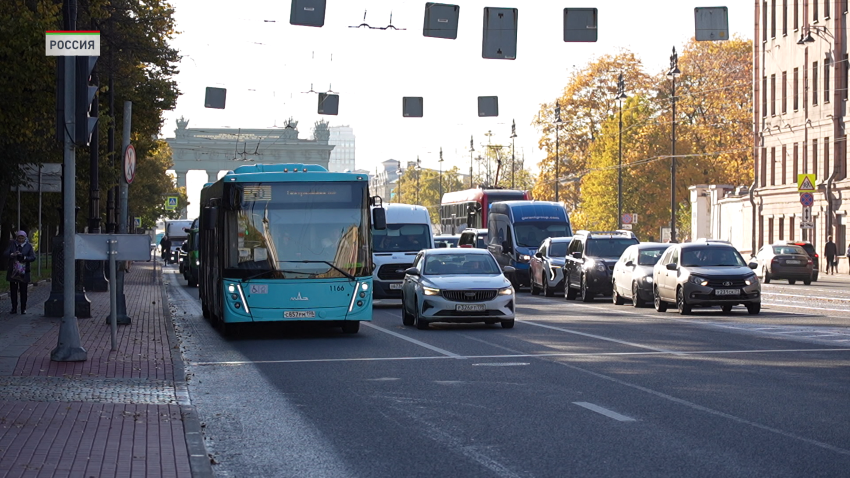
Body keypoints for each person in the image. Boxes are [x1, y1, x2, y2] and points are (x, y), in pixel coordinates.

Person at [5, 231, 36, 314]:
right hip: (13, 271)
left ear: (25, 238)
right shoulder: (12, 244)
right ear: (17, 238)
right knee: (13, 291)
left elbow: (33, 257)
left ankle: (23, 308)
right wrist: (12, 254)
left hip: (24, 271)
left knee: (23, 291)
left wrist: (24, 257)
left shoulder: (28, 246)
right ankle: (14, 307)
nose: (20, 239)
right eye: (19, 237)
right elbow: (6, 253)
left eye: (22, 238)